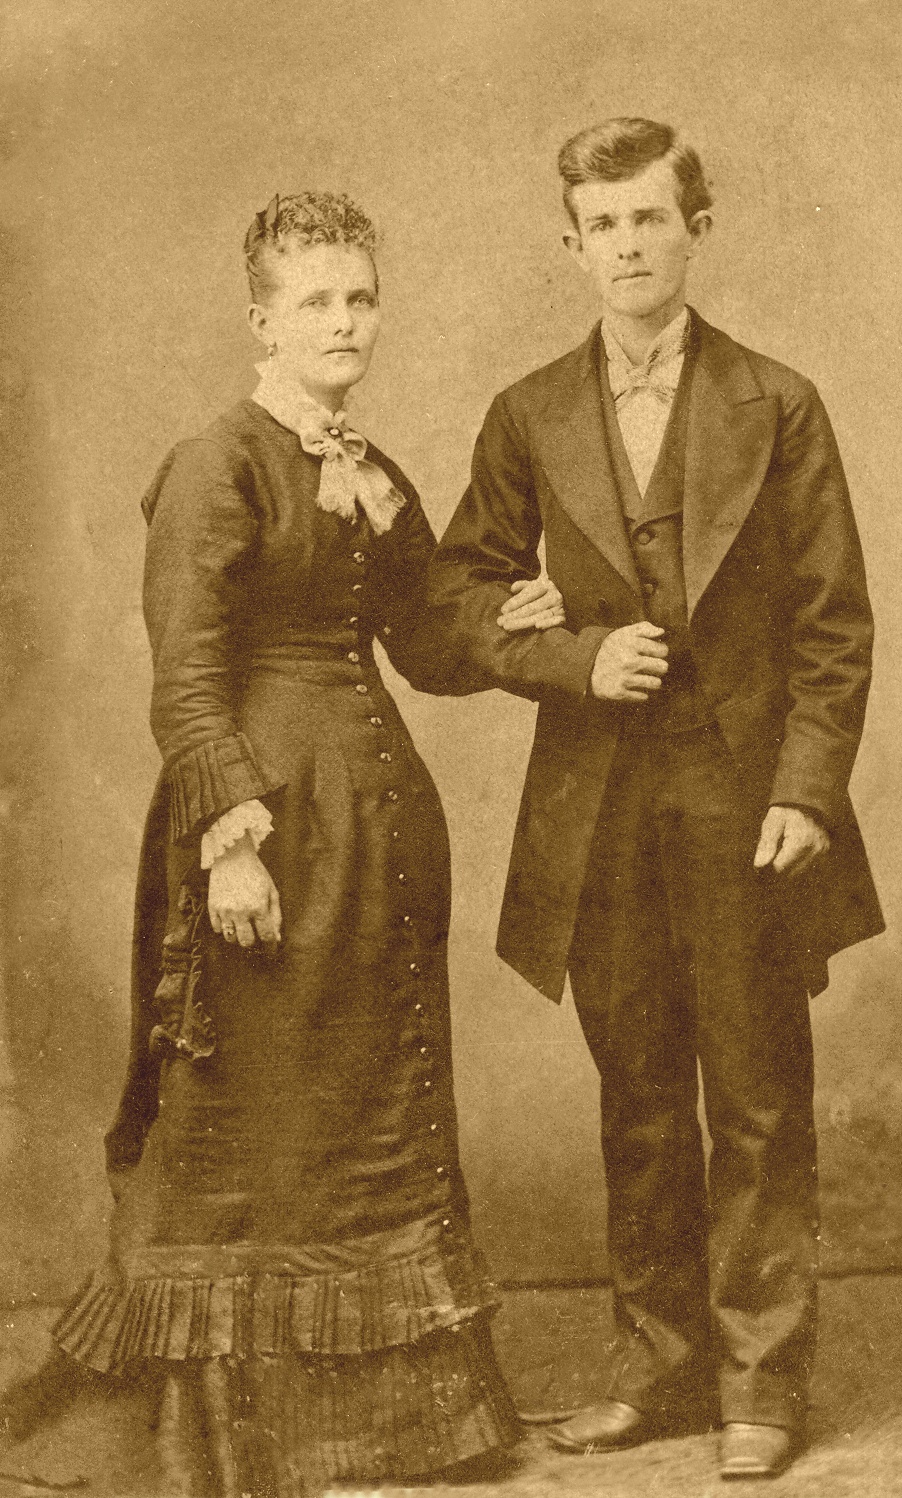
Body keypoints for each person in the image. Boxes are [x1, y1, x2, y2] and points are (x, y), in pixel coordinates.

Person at [2, 192, 564, 1494]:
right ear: (262, 320)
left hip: (374, 839)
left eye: (360, 297)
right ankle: (228, 1431)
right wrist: (229, 841)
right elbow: (188, 671)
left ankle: (390, 1427)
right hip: (266, 830)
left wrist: (513, 621)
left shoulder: (371, 468)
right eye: (316, 300)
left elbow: (425, 638)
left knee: (364, 1109)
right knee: (247, 1124)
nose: (344, 322)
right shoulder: (219, 462)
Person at [423, 118, 883, 1480]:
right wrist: (570, 657)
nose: (626, 246)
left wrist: (806, 789)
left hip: (742, 798)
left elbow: (835, 622)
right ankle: (659, 1366)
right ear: (571, 244)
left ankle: (761, 1379)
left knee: (754, 1092)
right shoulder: (526, 414)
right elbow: (451, 604)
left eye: (648, 219)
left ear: (697, 228)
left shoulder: (778, 403)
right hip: (598, 806)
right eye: (602, 225)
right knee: (635, 1092)